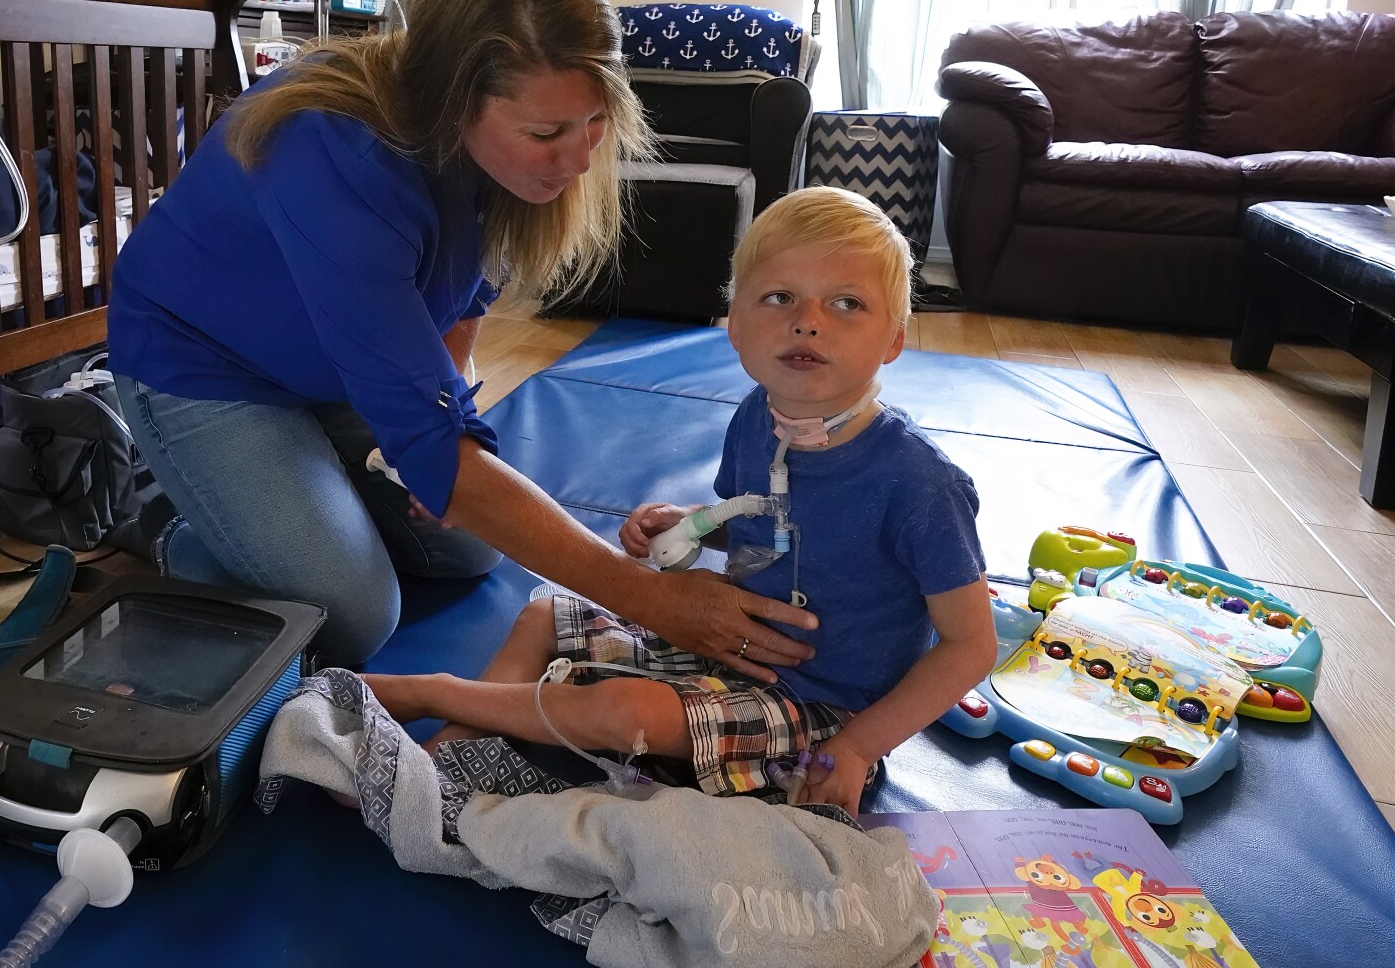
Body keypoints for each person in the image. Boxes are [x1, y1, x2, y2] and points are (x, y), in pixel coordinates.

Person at [107, 0, 820, 672]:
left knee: (471, 547)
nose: (579, 159)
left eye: (593, 123)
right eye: (548, 131)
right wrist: (649, 597)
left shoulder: (494, 154)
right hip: (201, 366)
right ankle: (172, 519)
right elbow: (439, 435)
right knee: (351, 612)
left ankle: (284, 501)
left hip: (327, 365)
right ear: (454, 102)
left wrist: (439, 440)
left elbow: (467, 294)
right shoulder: (334, 152)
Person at [362, 188, 999, 816]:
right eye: (779, 298)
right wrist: (695, 526)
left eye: (847, 303)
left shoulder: (919, 483)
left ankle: (436, 696)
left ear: (894, 338)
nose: (808, 321)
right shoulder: (757, 418)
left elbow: (970, 645)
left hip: (825, 711)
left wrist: (859, 748)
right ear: (736, 325)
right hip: (729, 651)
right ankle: (458, 749)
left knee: (627, 714)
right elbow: (760, 519)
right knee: (543, 618)